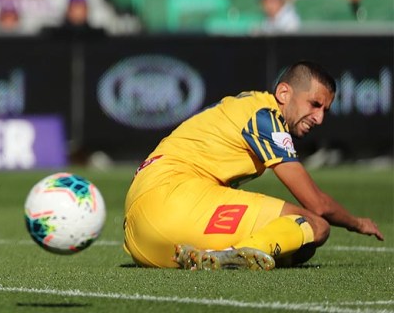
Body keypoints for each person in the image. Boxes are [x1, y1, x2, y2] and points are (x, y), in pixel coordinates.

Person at [124, 61, 384, 270]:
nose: (319, 118)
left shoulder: (247, 104)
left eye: (325, 110)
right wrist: (357, 223)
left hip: (141, 241)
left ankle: (218, 256)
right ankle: (231, 255)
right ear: (283, 93)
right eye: (315, 104)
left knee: (299, 247)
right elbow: (316, 204)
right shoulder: (264, 114)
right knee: (315, 226)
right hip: (173, 202)